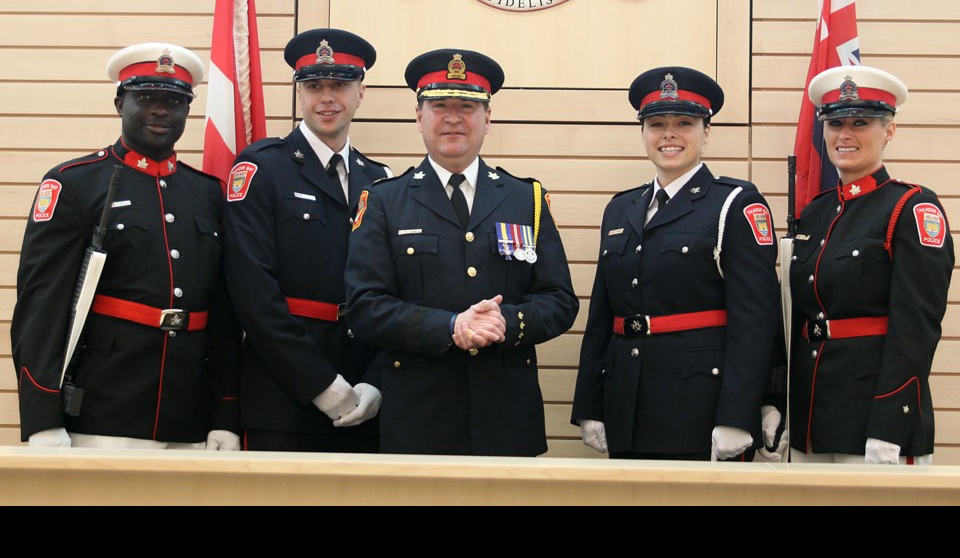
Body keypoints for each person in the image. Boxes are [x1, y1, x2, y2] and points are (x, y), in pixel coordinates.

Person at [345, 48, 579, 456]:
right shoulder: (384, 200)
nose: (453, 118)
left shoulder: (528, 199)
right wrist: (450, 326)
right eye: (439, 106)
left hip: (507, 417)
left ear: (487, 119)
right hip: (418, 420)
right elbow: (364, 306)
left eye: (467, 106)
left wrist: (507, 321)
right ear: (419, 118)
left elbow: (560, 301)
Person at [12, 43, 241, 450]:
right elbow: (42, 307)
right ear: (120, 103)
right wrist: (42, 416)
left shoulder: (208, 193)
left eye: (174, 101)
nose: (160, 110)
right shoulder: (74, 184)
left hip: (189, 413)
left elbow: (222, 311)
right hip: (103, 410)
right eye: (146, 98)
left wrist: (225, 411)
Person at [571, 66, 782, 460]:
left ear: (706, 132)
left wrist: (738, 414)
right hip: (627, 399)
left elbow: (756, 321)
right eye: (656, 124)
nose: (669, 134)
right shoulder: (620, 208)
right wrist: (590, 404)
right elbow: (602, 317)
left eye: (684, 122)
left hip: (700, 404)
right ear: (643, 133)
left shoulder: (734, 204)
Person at [222, 28, 391, 452]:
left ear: (361, 93)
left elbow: (394, 291)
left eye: (340, 85)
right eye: (315, 86)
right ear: (299, 94)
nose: (327, 97)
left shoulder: (381, 180)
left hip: (363, 398)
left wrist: (374, 379)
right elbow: (252, 292)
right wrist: (320, 384)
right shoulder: (261, 169)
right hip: (282, 394)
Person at [789, 65, 954, 464]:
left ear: (889, 131)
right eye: (834, 123)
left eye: (861, 122)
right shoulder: (815, 214)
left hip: (873, 424)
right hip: (812, 418)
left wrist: (889, 425)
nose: (844, 135)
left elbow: (916, 328)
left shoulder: (911, 207)